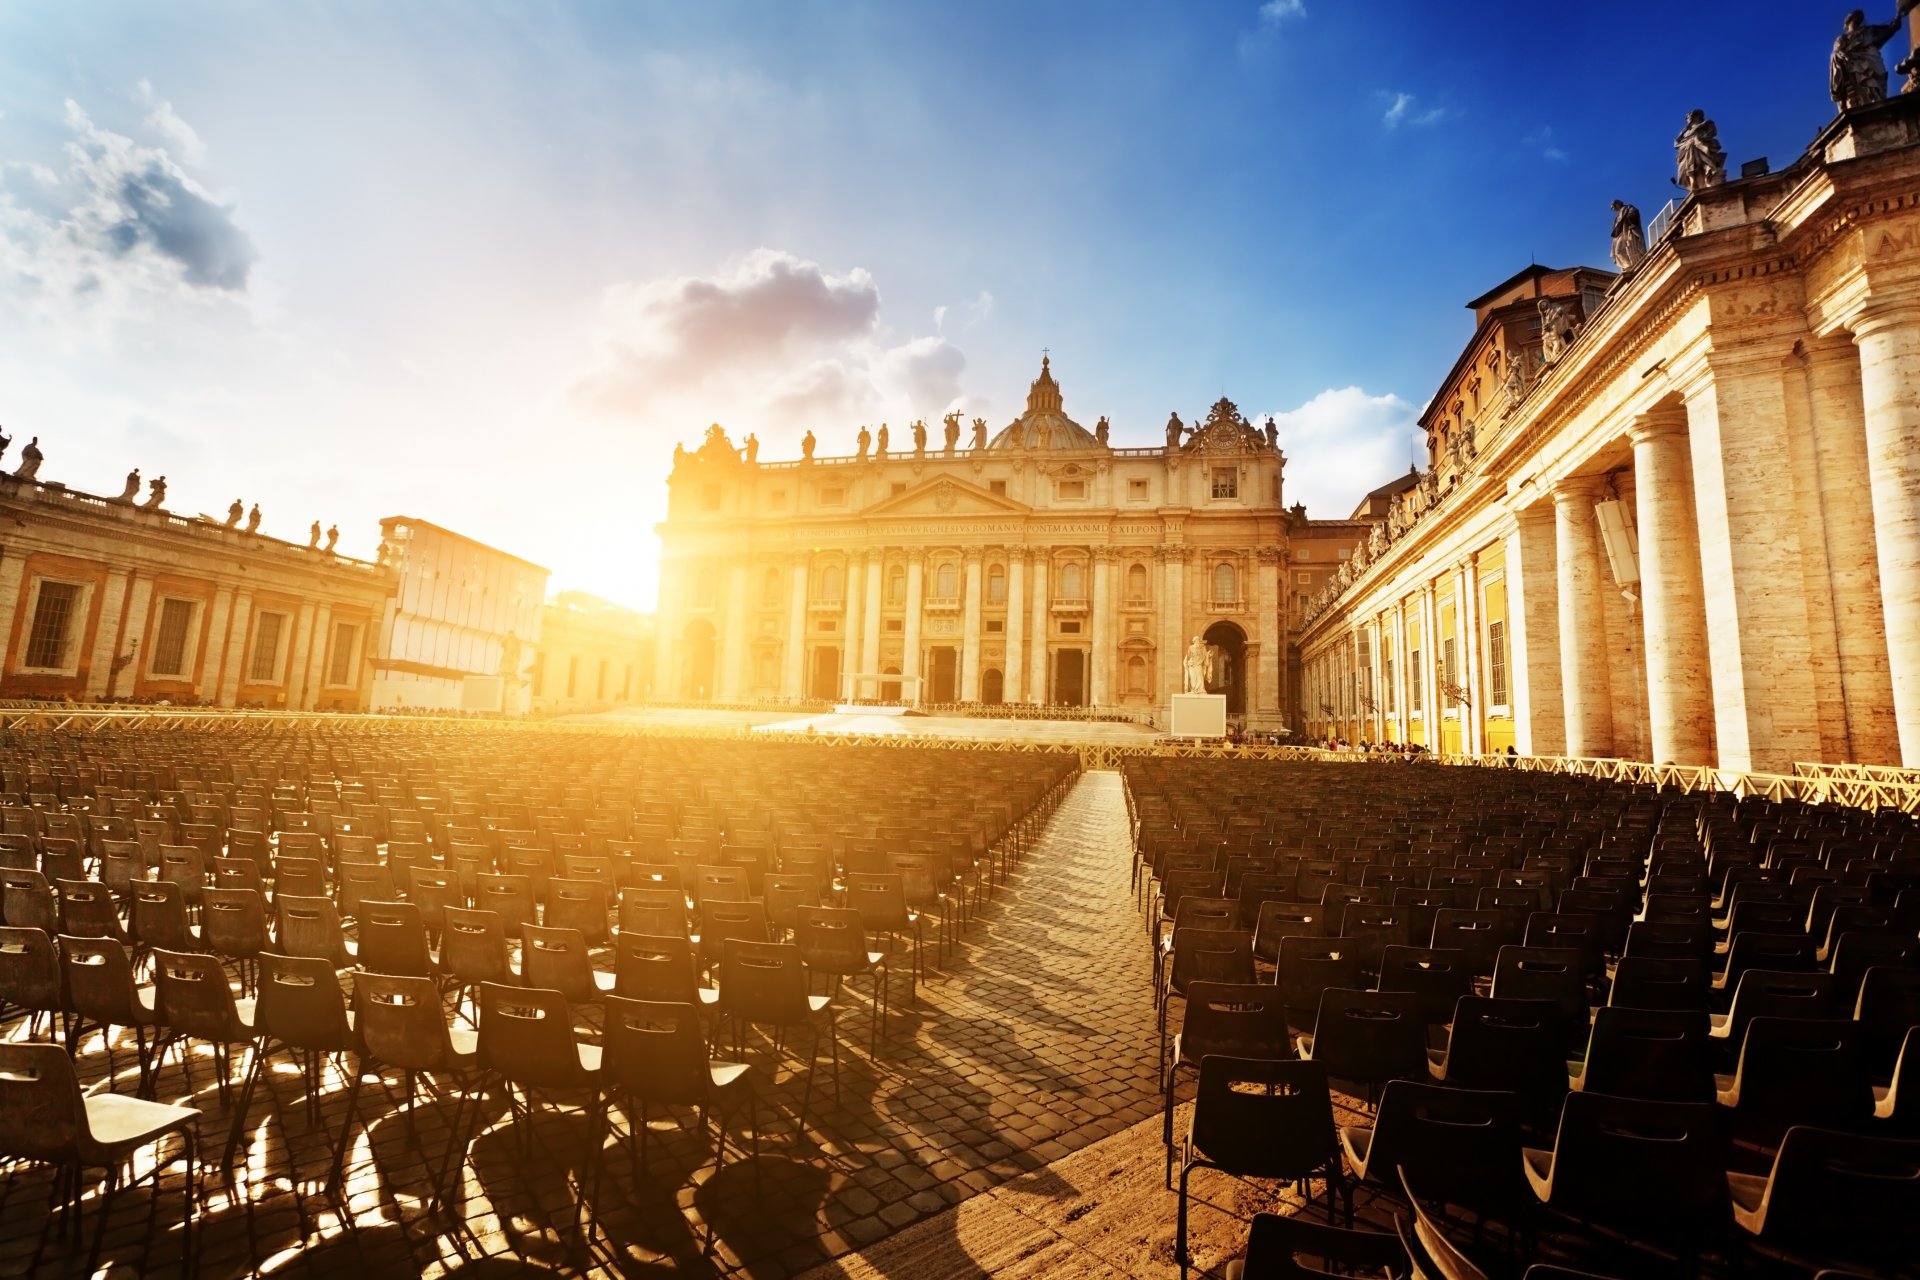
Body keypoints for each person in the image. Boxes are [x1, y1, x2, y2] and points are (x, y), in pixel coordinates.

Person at [1832, 5, 1915, 112]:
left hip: (1872, 61)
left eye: (1858, 17)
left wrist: (1898, 16)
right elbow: (1837, 52)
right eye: (1854, 17)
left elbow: (1890, 29)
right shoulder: (1842, 39)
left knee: (1876, 89)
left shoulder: (1870, 31)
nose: (1857, 19)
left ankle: (1877, 104)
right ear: (1848, 22)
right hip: (1853, 66)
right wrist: (1843, 55)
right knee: (1863, 91)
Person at [1673, 109, 1726, 194]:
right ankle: (1694, 183)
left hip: (1700, 147)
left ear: (1695, 116)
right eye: (1687, 118)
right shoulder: (1686, 132)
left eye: (1689, 116)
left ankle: (1706, 179)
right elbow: (1676, 143)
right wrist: (1684, 130)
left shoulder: (1706, 123)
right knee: (1687, 166)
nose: (1688, 119)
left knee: (1698, 161)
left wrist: (1700, 138)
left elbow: (1712, 132)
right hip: (1687, 150)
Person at [1610, 200, 1646, 271]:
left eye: (1613, 207)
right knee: (1617, 252)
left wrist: (1629, 220)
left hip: (1626, 231)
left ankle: (1630, 266)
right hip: (1619, 235)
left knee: (1619, 251)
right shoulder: (1617, 216)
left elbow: (1634, 212)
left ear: (1617, 204)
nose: (1613, 209)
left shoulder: (1628, 207)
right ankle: (1627, 266)